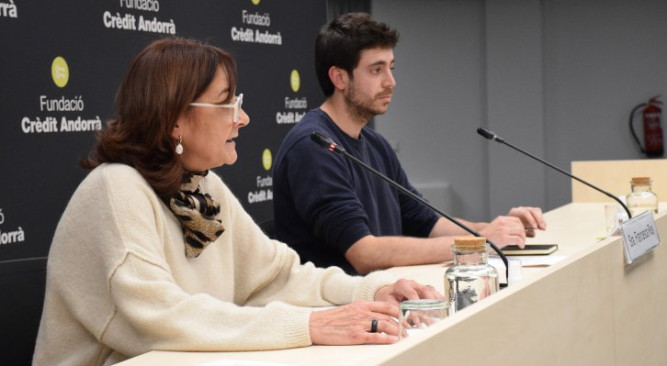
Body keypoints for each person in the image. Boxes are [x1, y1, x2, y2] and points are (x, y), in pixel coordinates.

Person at [32, 37, 440, 366]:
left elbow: (277, 277)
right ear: (175, 118)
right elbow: (160, 318)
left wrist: (371, 291)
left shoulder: (203, 187)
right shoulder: (116, 188)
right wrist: (311, 325)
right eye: (227, 103)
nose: (241, 118)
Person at [272, 13, 547, 275]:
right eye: (376, 70)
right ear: (340, 78)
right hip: (337, 310)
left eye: (391, 68)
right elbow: (364, 253)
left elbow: (427, 222)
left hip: (383, 298)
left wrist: (497, 230)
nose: (391, 82)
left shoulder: (376, 144)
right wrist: (478, 243)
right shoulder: (313, 147)